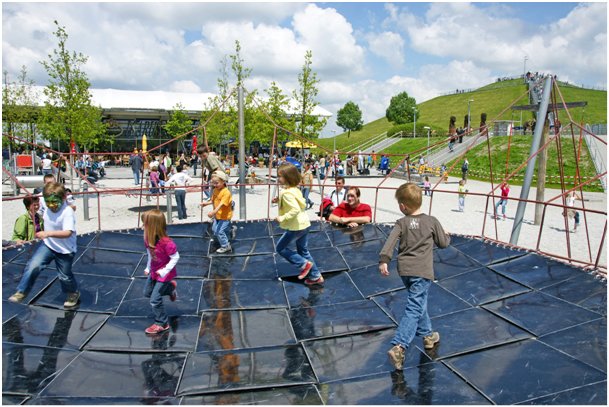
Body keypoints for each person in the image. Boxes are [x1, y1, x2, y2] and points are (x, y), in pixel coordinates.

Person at [379, 183, 450, 370]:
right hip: (423, 271)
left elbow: (390, 241)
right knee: (414, 307)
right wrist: (447, 236)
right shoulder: (431, 221)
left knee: (418, 302)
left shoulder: (401, 223)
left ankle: (428, 336)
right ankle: (400, 345)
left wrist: (384, 260)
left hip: (405, 271)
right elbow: (443, 243)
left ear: (403, 206)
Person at [8, 182, 80, 309]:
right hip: (49, 246)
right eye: (48, 202)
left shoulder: (67, 212)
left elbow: (68, 232)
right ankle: (22, 291)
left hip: (65, 250)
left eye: (54, 202)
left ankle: (73, 293)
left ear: (63, 198)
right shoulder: (46, 205)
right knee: (33, 265)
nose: (51, 206)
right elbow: (38, 198)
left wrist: (47, 233)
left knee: (64, 276)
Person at [273, 163, 324, 286]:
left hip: (295, 226)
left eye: (280, 176)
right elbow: (297, 202)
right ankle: (316, 276)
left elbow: (295, 209)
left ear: (288, 177)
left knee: (280, 248)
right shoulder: (294, 190)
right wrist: (278, 200)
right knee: (303, 250)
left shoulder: (286, 193)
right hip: (304, 223)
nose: (278, 179)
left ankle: (303, 264)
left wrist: (282, 217)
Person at [141, 209, 179, 335]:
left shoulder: (167, 243)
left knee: (154, 300)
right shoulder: (148, 238)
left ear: (153, 226)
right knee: (147, 292)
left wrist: (165, 270)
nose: (142, 227)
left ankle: (162, 323)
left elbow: (175, 257)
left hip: (165, 274)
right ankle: (170, 289)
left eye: (145, 224)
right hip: (154, 271)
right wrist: (148, 267)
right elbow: (149, 254)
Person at [200, 171, 234, 253]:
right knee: (215, 230)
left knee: (219, 231)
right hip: (218, 216)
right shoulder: (215, 190)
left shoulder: (226, 192)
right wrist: (206, 204)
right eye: (213, 183)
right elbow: (213, 200)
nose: (214, 185)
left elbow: (221, 204)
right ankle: (227, 237)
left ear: (223, 182)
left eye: (217, 183)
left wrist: (213, 212)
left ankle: (225, 246)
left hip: (225, 216)